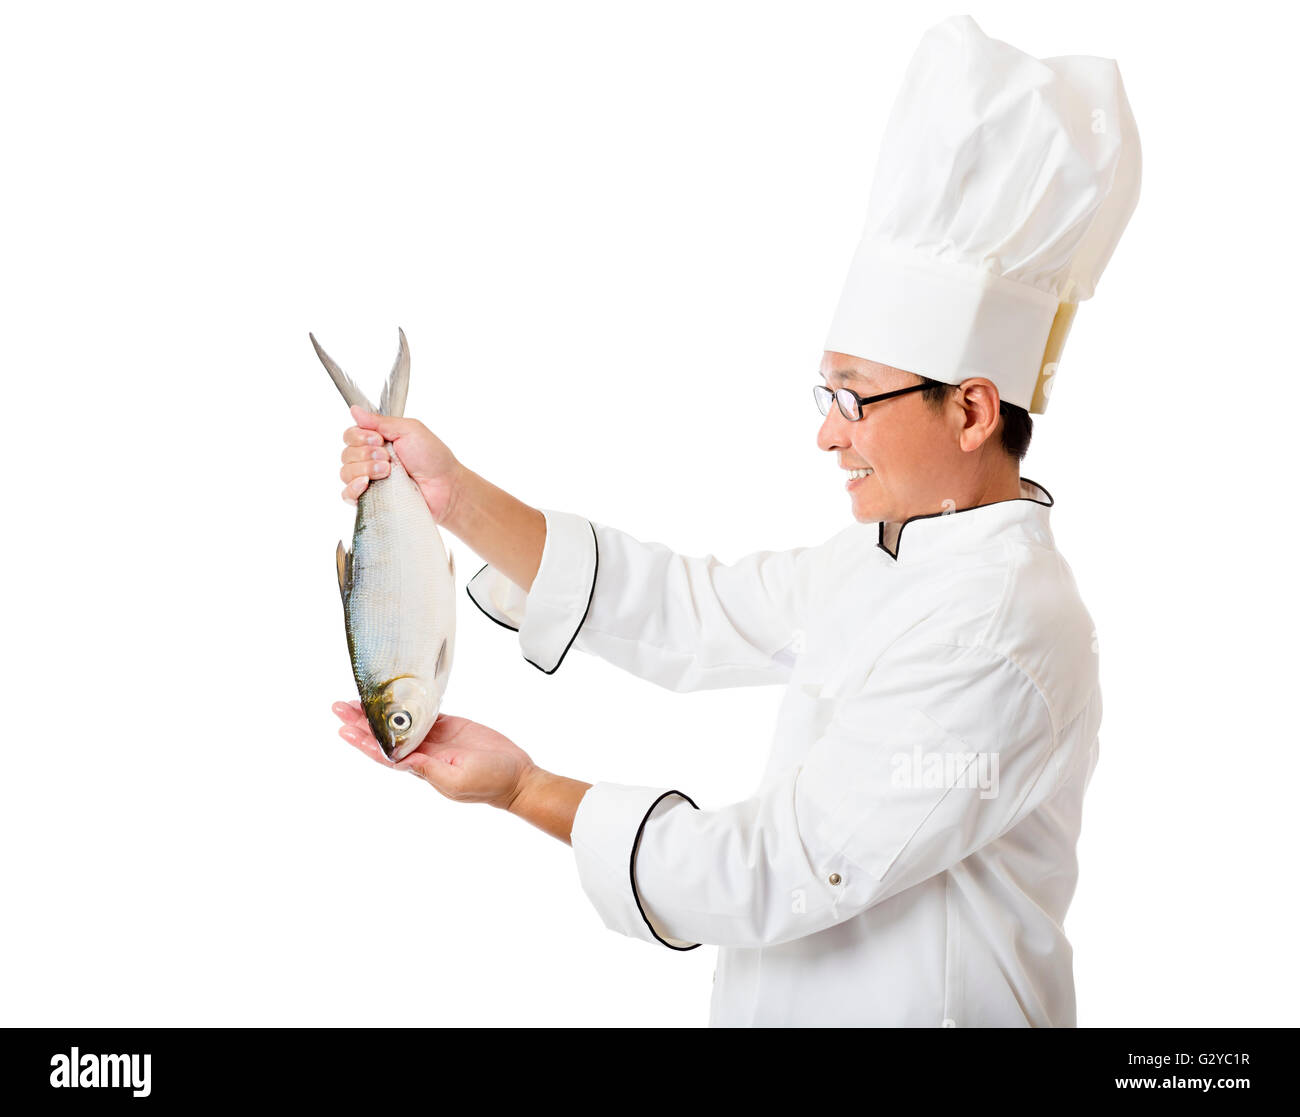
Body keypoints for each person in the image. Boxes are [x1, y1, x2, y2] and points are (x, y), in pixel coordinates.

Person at [330, 14, 1141, 1027]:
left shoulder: (1000, 627)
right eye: (825, 395)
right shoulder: (888, 558)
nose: (828, 437)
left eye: (855, 399)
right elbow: (689, 609)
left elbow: (780, 866)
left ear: (971, 410)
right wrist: (448, 500)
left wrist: (521, 788)